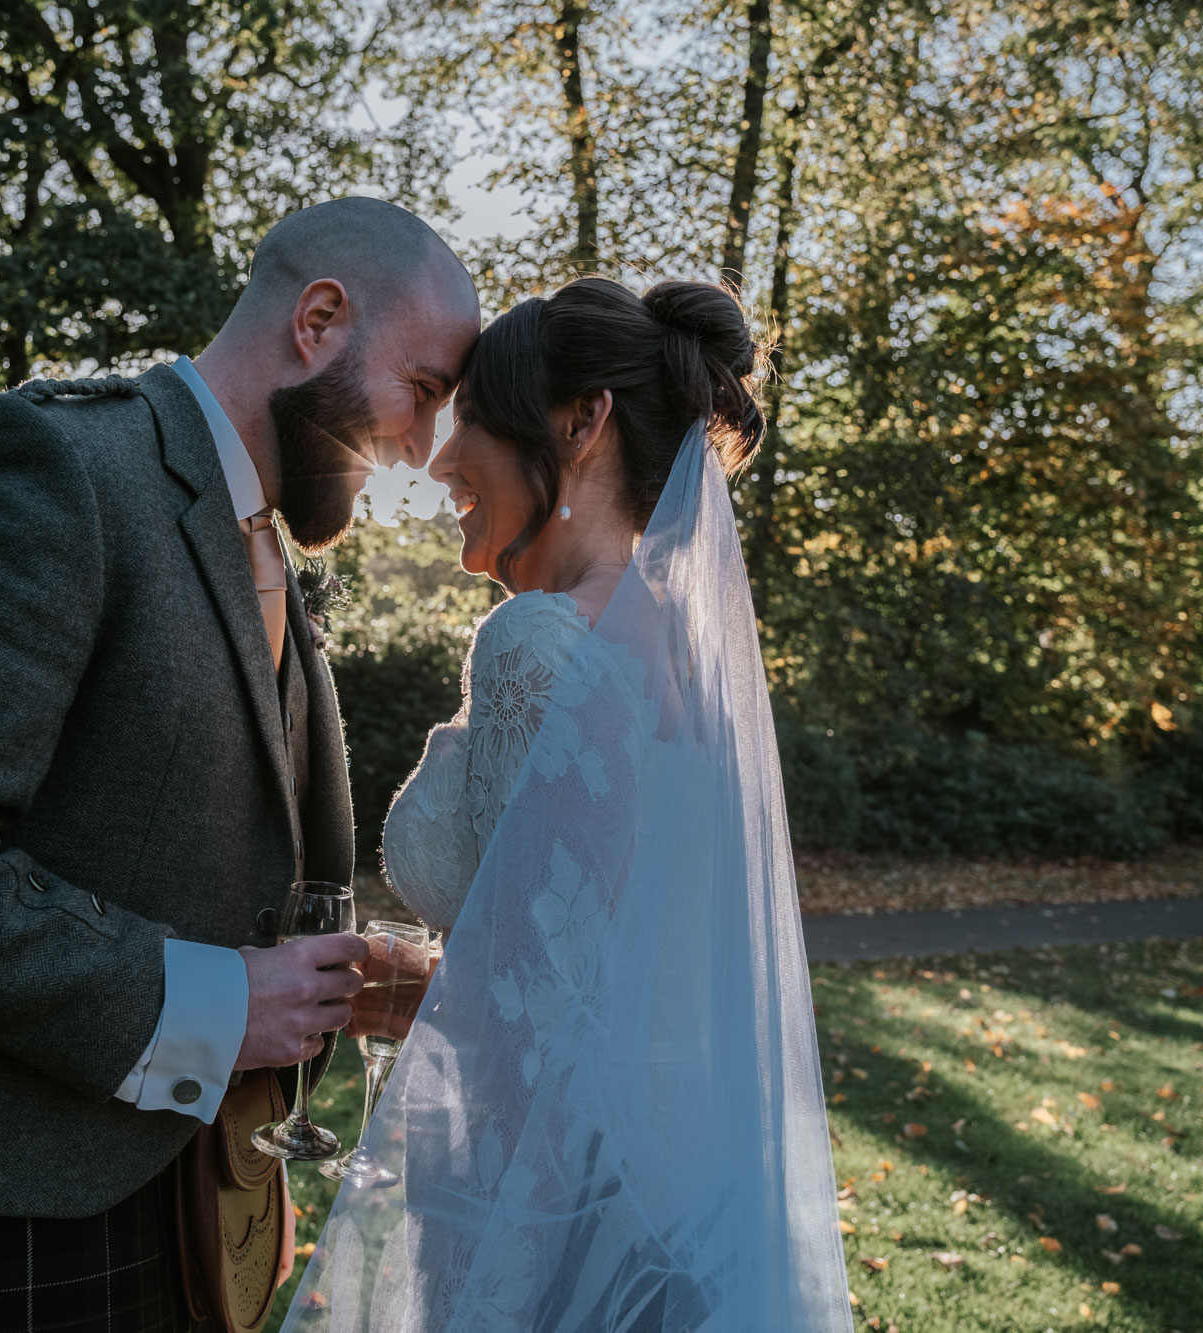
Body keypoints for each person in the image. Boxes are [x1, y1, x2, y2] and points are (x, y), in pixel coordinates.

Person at [0, 197, 481, 1333]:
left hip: (177, 1204)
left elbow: (207, 851)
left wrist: (332, 992)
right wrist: (208, 1003)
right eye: (423, 390)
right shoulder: (53, 462)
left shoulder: (266, 541)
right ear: (319, 320)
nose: (418, 447)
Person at [306, 277, 853, 1330]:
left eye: (466, 416)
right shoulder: (685, 658)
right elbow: (613, 976)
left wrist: (403, 989)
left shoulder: (536, 643)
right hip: (673, 1211)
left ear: (581, 421)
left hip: (546, 1223)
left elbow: (539, 1033)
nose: (435, 456)